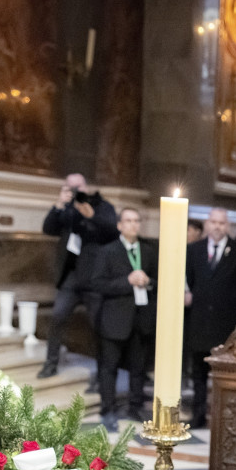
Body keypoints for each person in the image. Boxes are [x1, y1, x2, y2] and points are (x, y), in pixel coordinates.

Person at [39, 173, 118, 378]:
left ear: (86, 186)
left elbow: (112, 231)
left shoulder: (102, 206)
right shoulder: (66, 209)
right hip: (72, 277)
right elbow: (48, 228)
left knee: (98, 325)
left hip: (95, 277)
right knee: (57, 316)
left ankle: (103, 371)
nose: (76, 191)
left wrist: (91, 215)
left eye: (79, 186)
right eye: (71, 187)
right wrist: (58, 205)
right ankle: (50, 363)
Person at [184, 207, 236, 427]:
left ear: (228, 226)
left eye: (222, 223)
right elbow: (189, 279)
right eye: (214, 222)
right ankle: (198, 413)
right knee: (198, 372)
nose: (217, 226)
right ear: (207, 224)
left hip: (226, 323)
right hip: (199, 321)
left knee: (225, 374)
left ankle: (224, 416)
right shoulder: (194, 250)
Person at [88, 207, 158, 429]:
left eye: (136, 220)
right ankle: (107, 409)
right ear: (119, 225)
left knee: (138, 368)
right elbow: (97, 283)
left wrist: (148, 281)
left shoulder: (148, 250)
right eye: (128, 221)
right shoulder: (108, 251)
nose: (133, 225)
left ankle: (135, 407)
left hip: (141, 317)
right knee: (110, 367)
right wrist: (127, 281)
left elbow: (158, 280)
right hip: (115, 319)